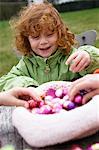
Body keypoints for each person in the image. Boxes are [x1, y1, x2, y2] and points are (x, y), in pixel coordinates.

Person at [0, 1, 99, 93]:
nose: (43, 42)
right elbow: (5, 81)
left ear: (59, 34)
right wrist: (27, 85)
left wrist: (89, 57)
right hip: (39, 111)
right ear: (27, 39)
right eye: (35, 37)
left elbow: (94, 70)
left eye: (49, 35)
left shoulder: (69, 56)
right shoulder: (27, 64)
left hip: (73, 109)